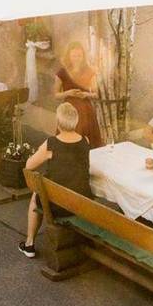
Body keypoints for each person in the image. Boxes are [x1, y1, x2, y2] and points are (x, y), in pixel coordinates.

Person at [20, 102, 93, 257]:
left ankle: (29, 244)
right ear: (76, 121)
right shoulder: (85, 141)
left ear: (58, 123)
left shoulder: (51, 143)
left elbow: (29, 165)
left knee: (36, 196)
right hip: (82, 203)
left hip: (59, 206)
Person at [54, 42, 102, 147]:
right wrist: (67, 93)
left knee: (88, 143)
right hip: (69, 111)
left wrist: (86, 94)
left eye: (79, 55)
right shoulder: (62, 72)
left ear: (83, 56)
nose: (77, 58)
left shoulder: (89, 71)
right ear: (69, 56)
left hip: (86, 111)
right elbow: (56, 95)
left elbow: (96, 94)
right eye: (74, 56)